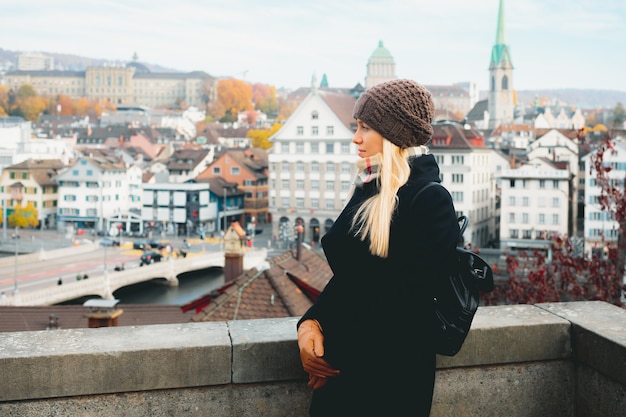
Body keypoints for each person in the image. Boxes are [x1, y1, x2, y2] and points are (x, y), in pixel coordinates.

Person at [297, 79, 460, 416]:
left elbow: (399, 301)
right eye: (357, 126)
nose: (356, 138)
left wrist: (332, 345)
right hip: (348, 371)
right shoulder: (372, 187)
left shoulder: (429, 200)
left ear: (395, 135)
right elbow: (353, 279)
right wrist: (311, 323)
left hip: (390, 380)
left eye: (366, 128)